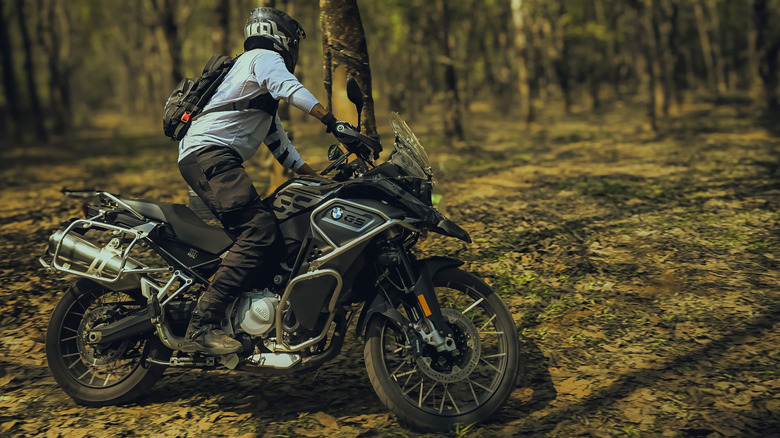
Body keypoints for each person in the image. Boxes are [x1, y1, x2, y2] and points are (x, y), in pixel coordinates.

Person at [177, 7, 349, 355]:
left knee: (266, 225)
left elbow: (283, 149)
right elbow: (290, 88)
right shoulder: (263, 57)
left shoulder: (253, 84)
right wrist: (334, 123)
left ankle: (248, 307)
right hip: (209, 155)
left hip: (208, 156)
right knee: (258, 230)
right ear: (282, 38)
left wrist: (321, 182)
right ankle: (203, 323)